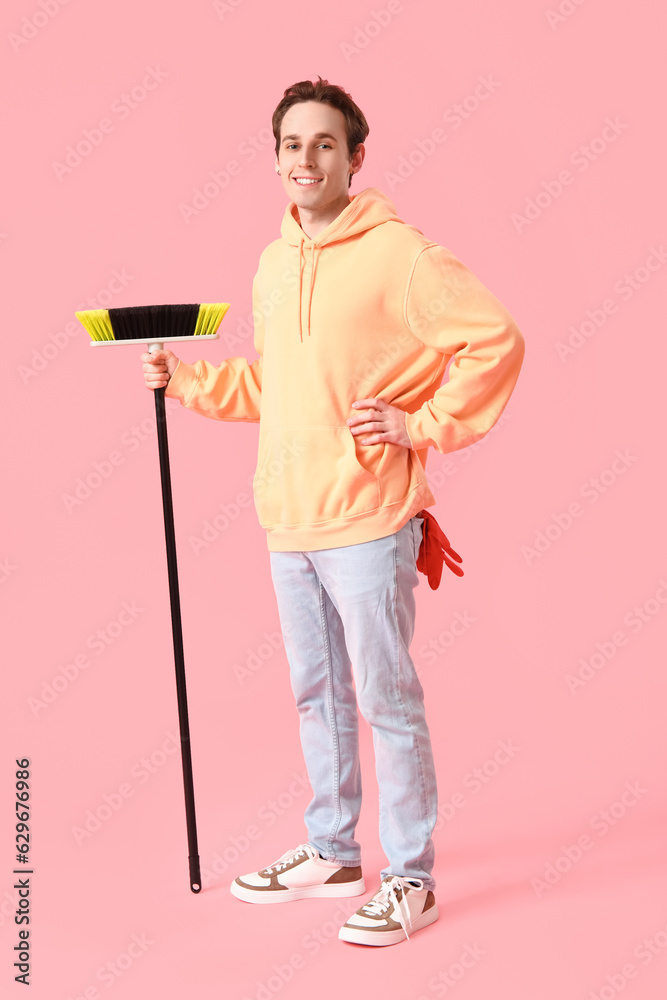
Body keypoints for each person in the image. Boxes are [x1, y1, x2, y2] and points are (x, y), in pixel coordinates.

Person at [141, 77, 525, 946]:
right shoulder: (274, 262)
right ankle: (331, 850)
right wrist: (187, 382)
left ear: (355, 158)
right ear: (274, 158)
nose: (304, 160)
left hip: (368, 520)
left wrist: (418, 425)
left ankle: (412, 879)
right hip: (289, 520)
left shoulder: (401, 256)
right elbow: (280, 387)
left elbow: (495, 339)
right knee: (316, 695)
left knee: (385, 699)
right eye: (289, 145)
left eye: (323, 145)